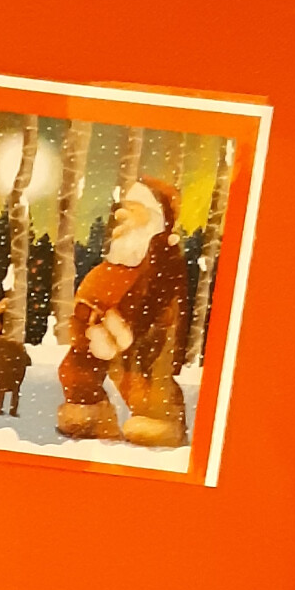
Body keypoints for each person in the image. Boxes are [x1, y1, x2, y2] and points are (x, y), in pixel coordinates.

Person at [57, 178, 190, 450]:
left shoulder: (161, 261)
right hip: (99, 334)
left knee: (141, 378)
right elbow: (88, 297)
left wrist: (126, 329)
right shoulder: (113, 263)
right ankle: (89, 411)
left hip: (140, 342)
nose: (122, 216)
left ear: (156, 216)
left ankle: (159, 421)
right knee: (76, 369)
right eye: (123, 209)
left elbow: (160, 307)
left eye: (134, 209)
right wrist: (85, 322)